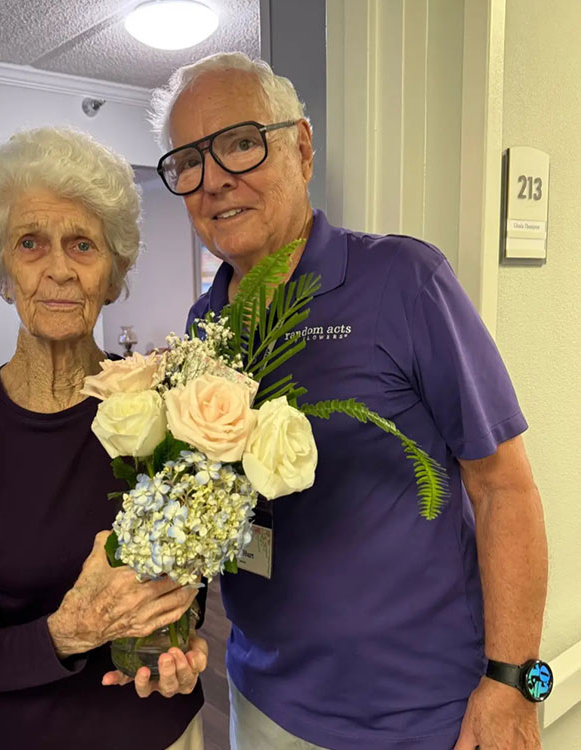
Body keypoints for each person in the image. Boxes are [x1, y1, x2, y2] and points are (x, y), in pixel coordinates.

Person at [150, 53, 549, 750]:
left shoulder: (404, 282)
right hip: (263, 699)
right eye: (187, 161)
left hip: (421, 714)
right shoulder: (202, 329)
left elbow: (504, 488)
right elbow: (210, 507)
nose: (213, 180)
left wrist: (513, 682)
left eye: (240, 143)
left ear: (301, 147)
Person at [0, 126, 208, 750]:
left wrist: (175, 642)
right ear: (0, 269)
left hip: (154, 731)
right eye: (30, 243)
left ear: (111, 272)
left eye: (82, 245)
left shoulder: (169, 406)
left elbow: (186, 577)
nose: (58, 270)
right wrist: (71, 630)